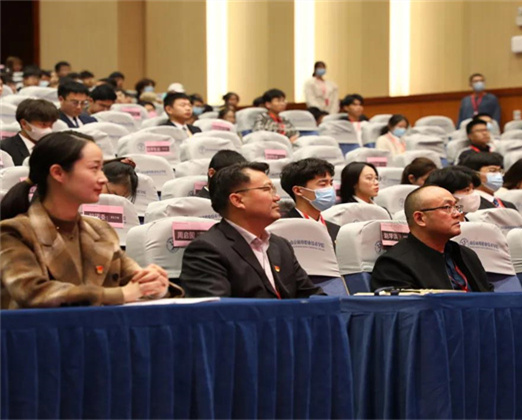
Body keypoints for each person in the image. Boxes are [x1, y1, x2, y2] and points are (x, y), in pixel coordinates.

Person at [0, 132, 173, 309]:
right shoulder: (14, 232)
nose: (103, 178)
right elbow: (32, 292)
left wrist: (155, 284)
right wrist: (120, 294)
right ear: (58, 173)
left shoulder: (100, 229)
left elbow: (136, 280)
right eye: (94, 169)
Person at [178, 162, 324, 298]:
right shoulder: (207, 250)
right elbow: (218, 311)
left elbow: (312, 297)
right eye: (267, 189)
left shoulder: (280, 246)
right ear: (238, 200)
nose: (277, 197)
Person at [370, 186, 493, 292]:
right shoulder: (394, 265)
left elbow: (490, 299)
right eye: (447, 207)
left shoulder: (466, 255)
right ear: (420, 218)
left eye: (456, 207)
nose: (457, 214)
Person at [280, 158, 340, 243]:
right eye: (323, 184)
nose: (330, 189)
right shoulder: (282, 228)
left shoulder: (336, 230)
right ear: (298, 190)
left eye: (331, 183)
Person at [1, 99, 58, 165]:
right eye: (43, 125)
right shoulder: (4, 148)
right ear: (24, 123)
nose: (48, 129)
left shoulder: (54, 147)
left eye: (51, 125)